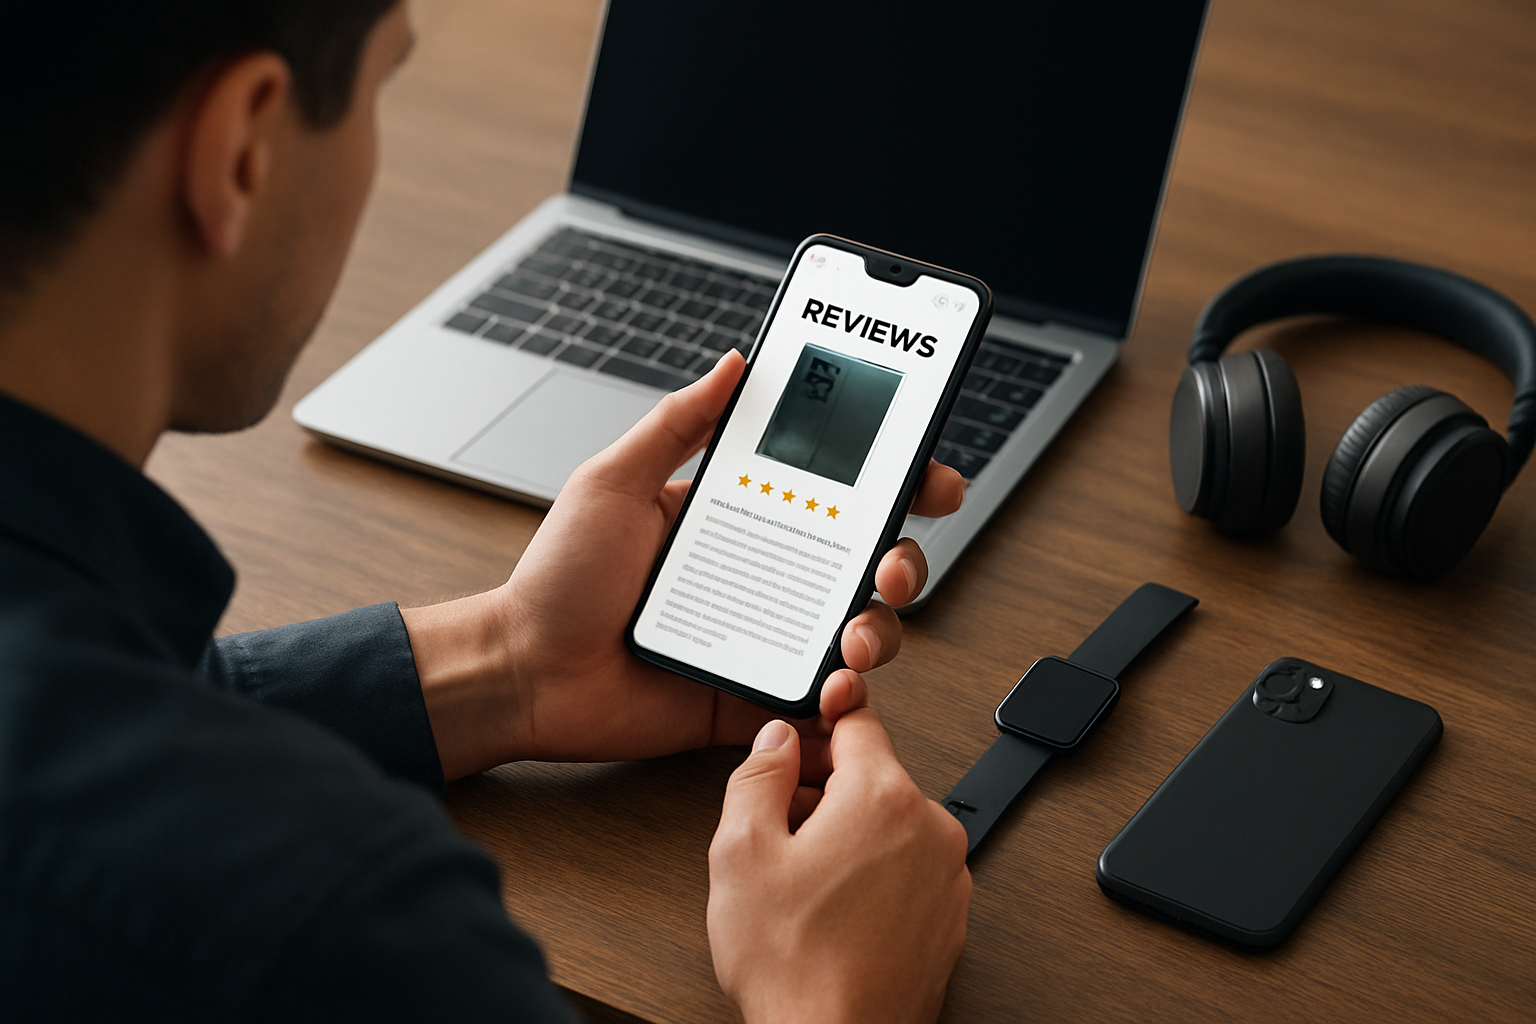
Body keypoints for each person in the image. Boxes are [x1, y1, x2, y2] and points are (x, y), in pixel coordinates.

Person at [0, 2, 972, 1021]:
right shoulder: (339, 928)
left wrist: (507, 663)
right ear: (240, 150)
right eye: (384, 85)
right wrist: (833, 996)